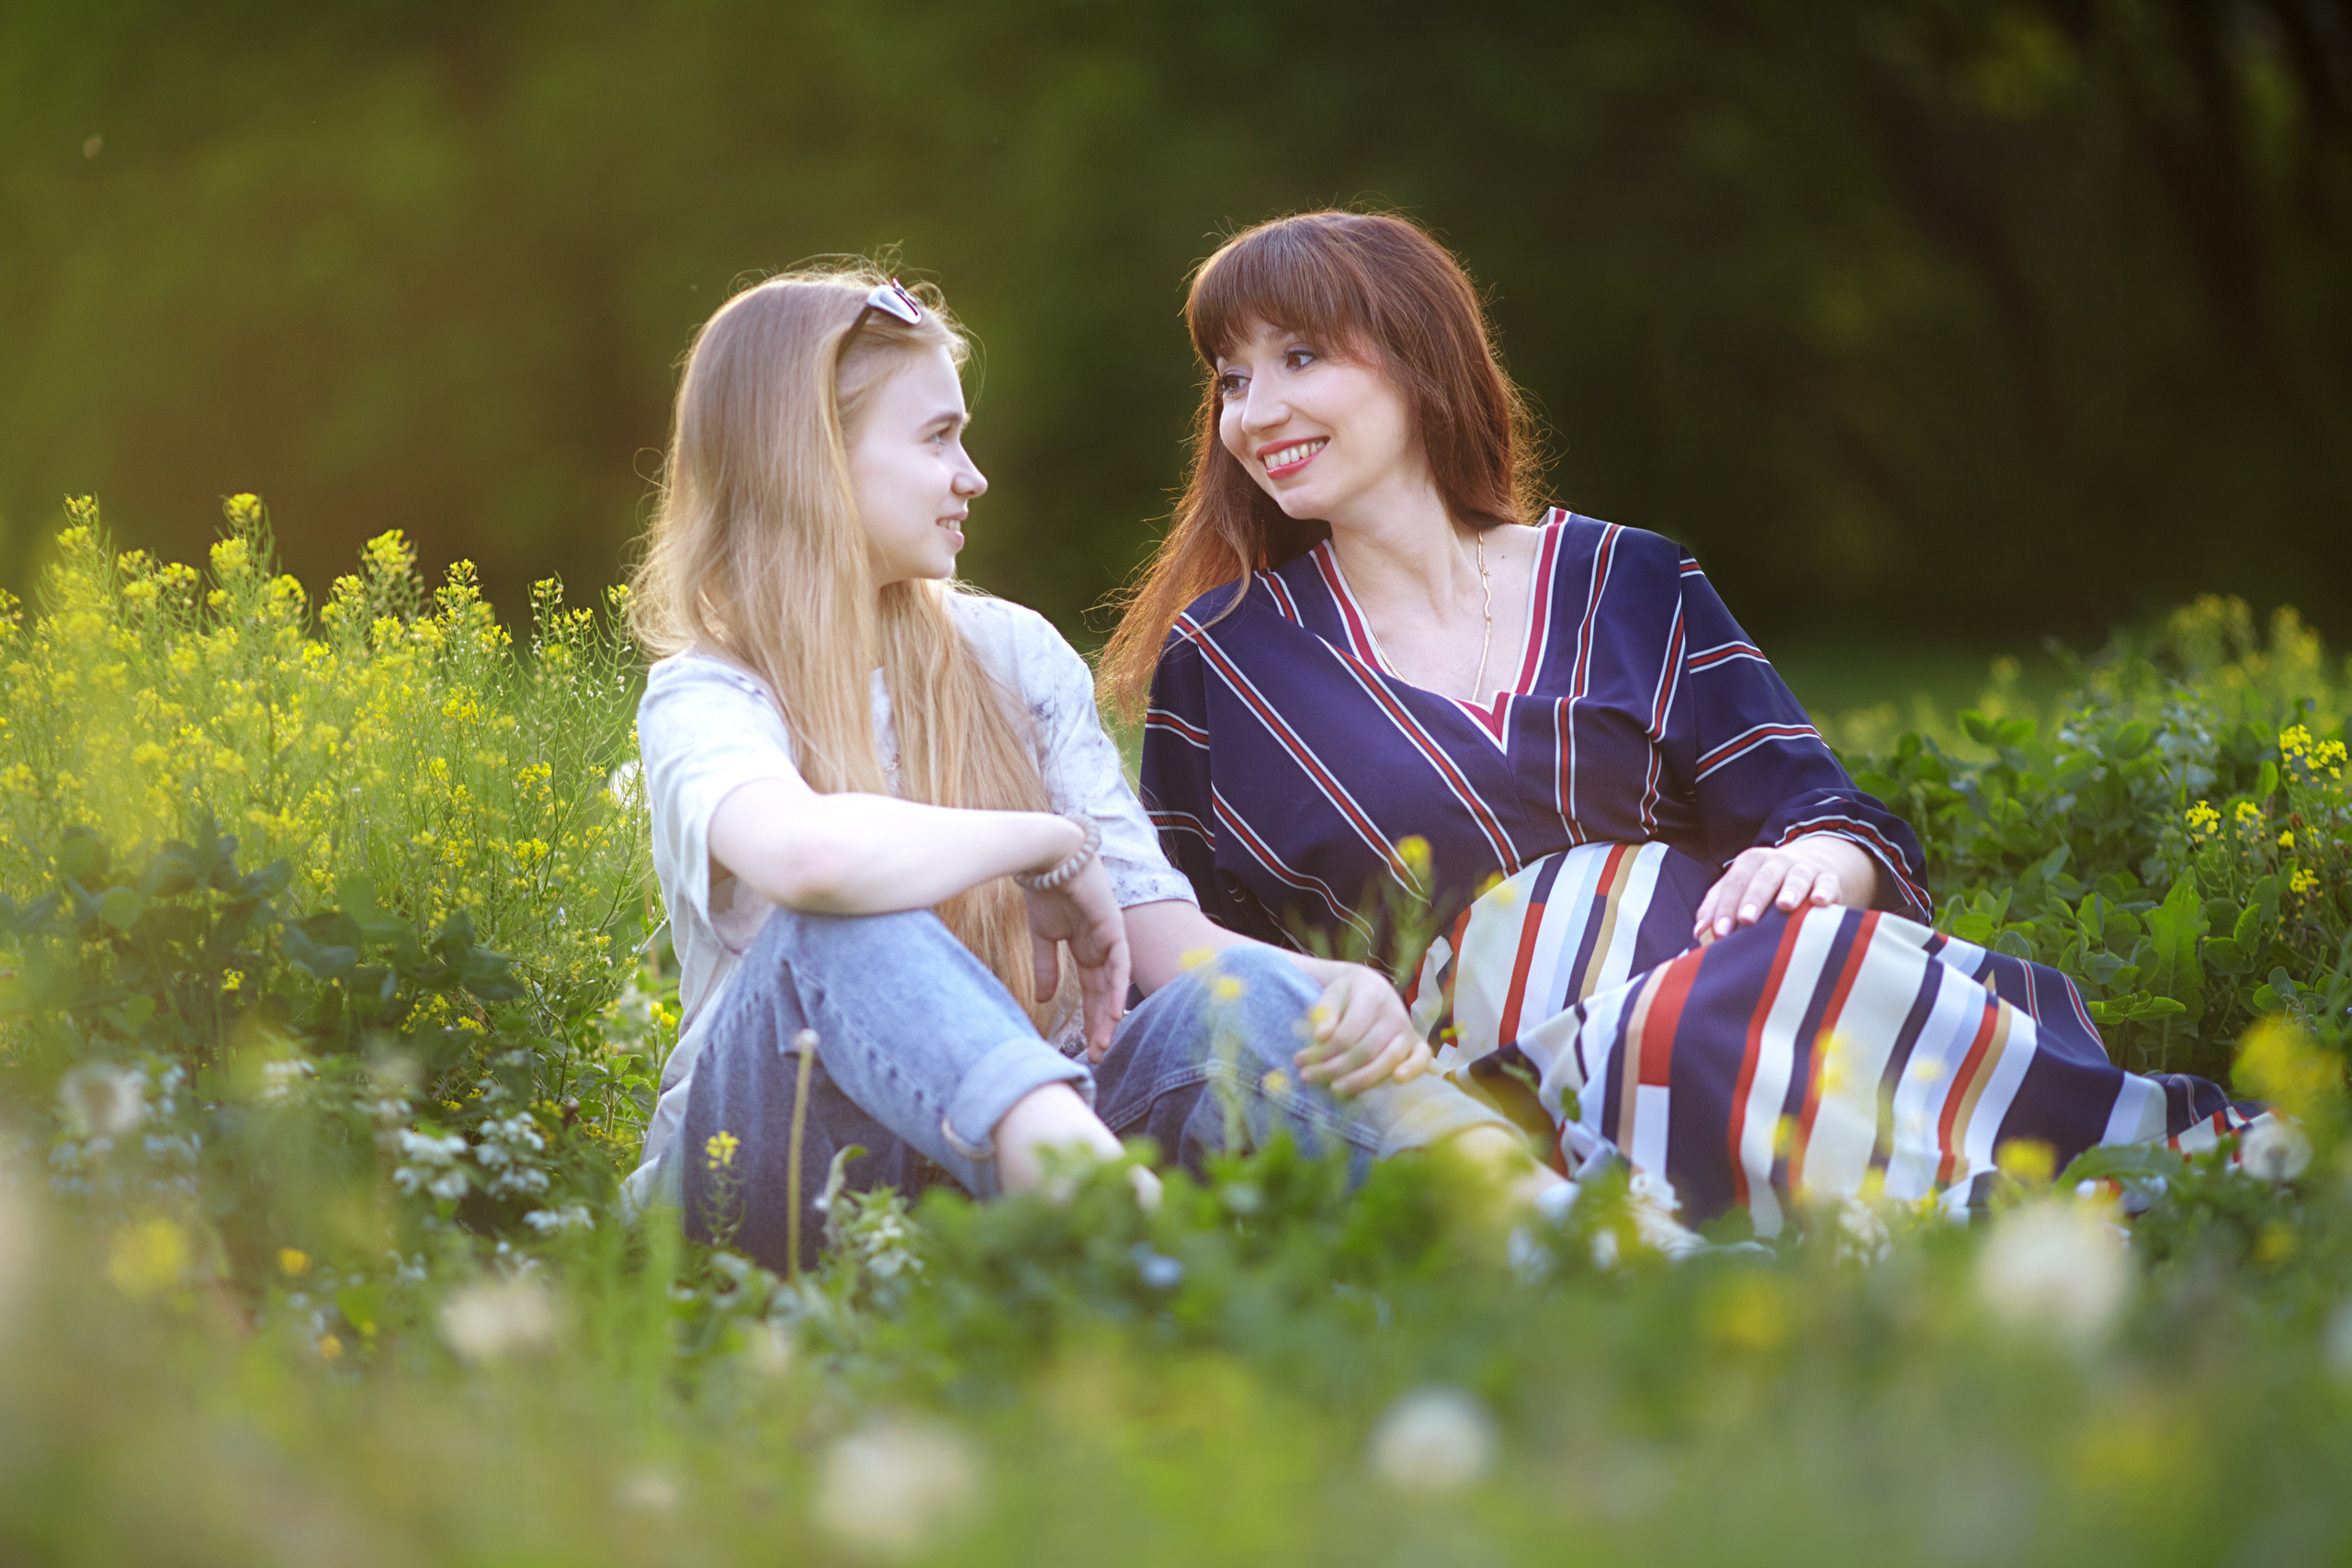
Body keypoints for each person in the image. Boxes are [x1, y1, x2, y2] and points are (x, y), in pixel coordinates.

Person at [1102, 211, 2265, 1235]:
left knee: (1769, 985)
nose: (1256, 411)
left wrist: (1812, 859)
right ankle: (1918, 1226)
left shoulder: (1627, 579)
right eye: (1231, 377)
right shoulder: (1230, 659)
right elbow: (1202, 961)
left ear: (1417, 359)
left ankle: (2088, 1183)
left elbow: (1822, 809)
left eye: (1298, 357)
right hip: (1494, 1094)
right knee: (1692, 1041)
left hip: (1751, 987)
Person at [622, 265, 1534, 1273]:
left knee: (1241, 998)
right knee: (831, 928)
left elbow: (1162, 941)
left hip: (987, 1180)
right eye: (936, 440)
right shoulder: (710, 695)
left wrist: (1323, 984)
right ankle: (1118, 1229)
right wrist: (1046, 848)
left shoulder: (1011, 655)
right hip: (766, 1198)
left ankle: (1575, 1236)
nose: (971, 476)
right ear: (812, 460)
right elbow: (810, 865)